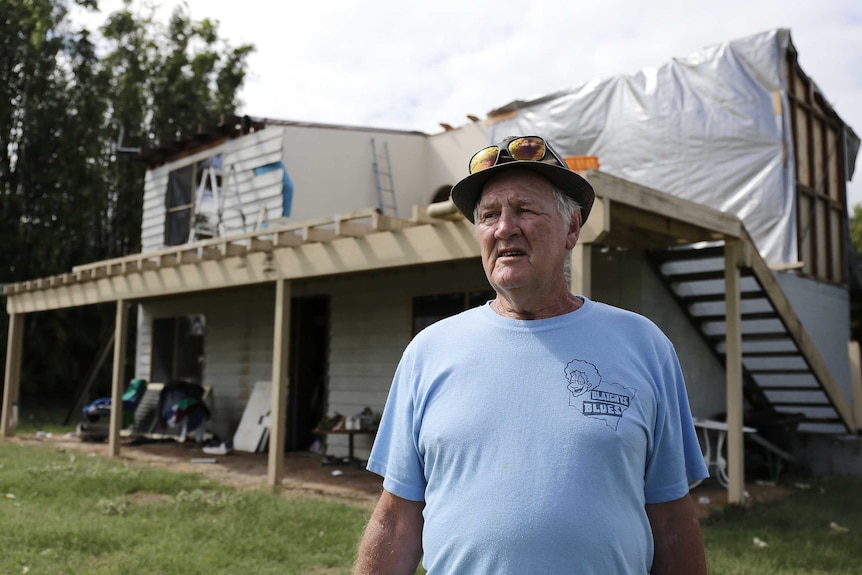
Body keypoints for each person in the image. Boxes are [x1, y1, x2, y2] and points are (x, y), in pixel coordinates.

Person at [354, 135, 709, 574]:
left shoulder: (643, 346)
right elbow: (396, 521)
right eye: (489, 215)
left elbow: (673, 519)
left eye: (524, 209)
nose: (504, 228)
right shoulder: (429, 351)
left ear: (572, 229)